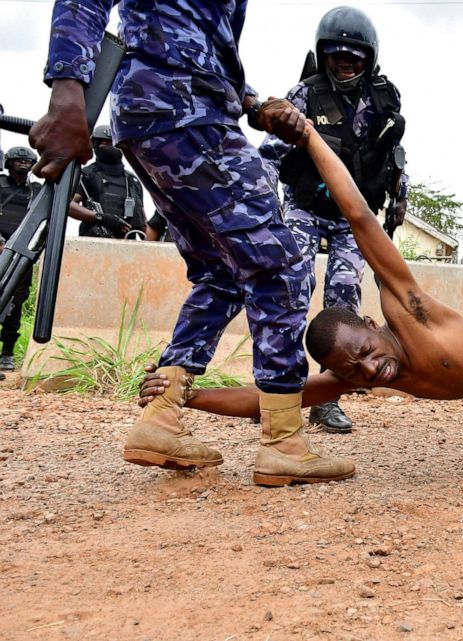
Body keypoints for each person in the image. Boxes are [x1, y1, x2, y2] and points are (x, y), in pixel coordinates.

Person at [31, 0, 353, 486]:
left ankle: (160, 418)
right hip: (182, 113)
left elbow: (201, 42)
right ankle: (284, 442)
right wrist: (68, 92)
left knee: (222, 273)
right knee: (283, 266)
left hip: (163, 112)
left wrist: (252, 104)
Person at [138, 126, 463, 428]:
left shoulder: (411, 316)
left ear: (371, 325)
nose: (370, 369)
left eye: (365, 352)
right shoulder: (356, 374)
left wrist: (309, 136)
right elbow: (269, 401)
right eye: (354, 369)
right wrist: (184, 395)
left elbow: (360, 216)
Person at [260, 6, 408, 435]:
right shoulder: (304, 94)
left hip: (352, 218)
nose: (345, 65)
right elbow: (270, 153)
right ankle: (283, 392)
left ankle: (328, 400)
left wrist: (400, 194)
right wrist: (265, 207)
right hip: (306, 209)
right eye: (336, 57)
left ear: (369, 59)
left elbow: (394, 152)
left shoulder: (385, 96)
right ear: (323, 56)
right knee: (291, 293)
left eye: (354, 58)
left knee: (343, 307)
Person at [0, 147, 42, 372]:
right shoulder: (1, 184)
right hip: (0, 248)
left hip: (22, 253)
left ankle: (7, 352)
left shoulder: (37, 190)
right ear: (9, 163)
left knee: (15, 303)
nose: (24, 164)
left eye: (28, 160)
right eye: (19, 160)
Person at [69, 125, 146, 239]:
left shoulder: (132, 179)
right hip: (94, 245)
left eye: (113, 143)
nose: (110, 147)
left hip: (129, 247)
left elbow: (143, 220)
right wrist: (101, 217)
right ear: (95, 145)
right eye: (104, 143)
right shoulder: (87, 175)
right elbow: (68, 206)